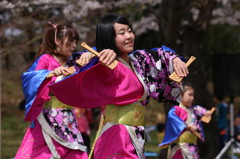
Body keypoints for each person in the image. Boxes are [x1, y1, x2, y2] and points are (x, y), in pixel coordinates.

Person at [49, 14, 188, 159]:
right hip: (117, 136)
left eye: (129, 31)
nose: (129, 36)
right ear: (109, 38)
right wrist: (92, 56)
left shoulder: (138, 59)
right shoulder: (104, 63)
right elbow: (82, 68)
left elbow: (161, 54)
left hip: (135, 134)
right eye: (122, 33)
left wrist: (175, 59)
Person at [14, 22, 115, 159]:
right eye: (70, 41)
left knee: (77, 153)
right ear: (57, 41)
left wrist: (90, 55)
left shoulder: (74, 60)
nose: (74, 46)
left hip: (68, 119)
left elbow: (101, 50)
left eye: (75, 41)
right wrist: (49, 74)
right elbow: (29, 78)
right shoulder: (45, 59)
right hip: (46, 118)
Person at [159, 83, 213, 159]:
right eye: (190, 95)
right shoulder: (177, 109)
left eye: (193, 95)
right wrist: (186, 126)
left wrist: (207, 113)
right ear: (181, 95)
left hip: (192, 147)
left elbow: (201, 110)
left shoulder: (193, 109)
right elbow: (172, 117)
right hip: (179, 147)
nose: (192, 98)